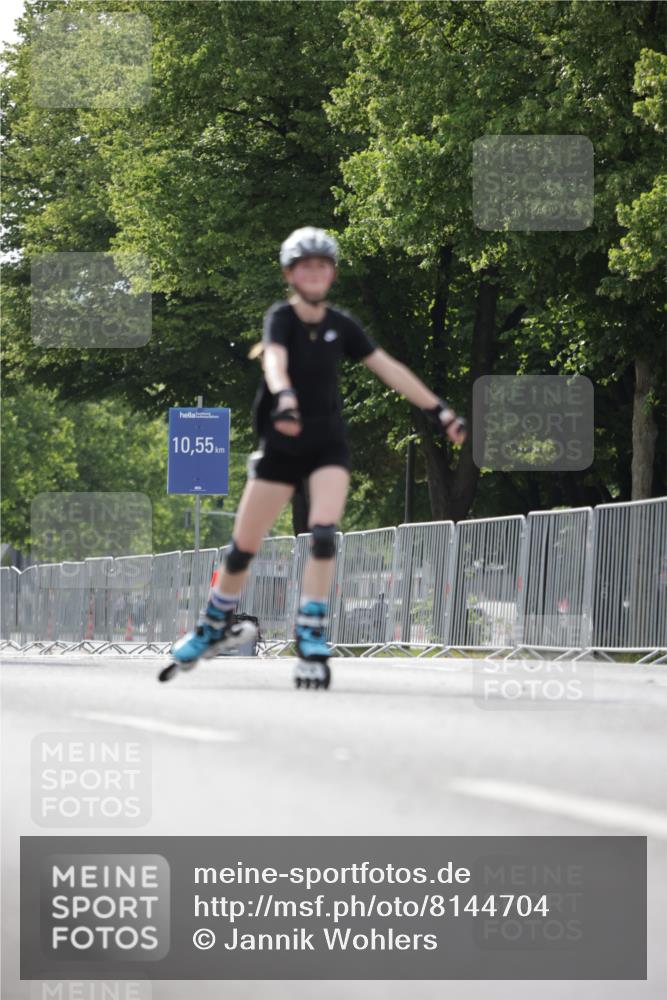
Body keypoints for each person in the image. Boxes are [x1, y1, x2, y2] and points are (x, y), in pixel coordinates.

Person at [160, 226, 466, 687]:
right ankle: (212, 625)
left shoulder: (341, 326)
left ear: (333, 274)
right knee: (243, 548)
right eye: (307, 266)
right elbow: (275, 361)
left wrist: (438, 409)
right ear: (291, 274)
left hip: (326, 445)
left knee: (324, 535)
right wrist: (284, 395)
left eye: (323, 266)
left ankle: (311, 629)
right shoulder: (280, 318)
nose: (316, 273)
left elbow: (389, 369)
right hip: (282, 444)